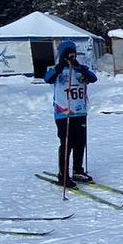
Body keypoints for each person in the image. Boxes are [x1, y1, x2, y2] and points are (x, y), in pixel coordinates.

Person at [44, 40, 98, 187]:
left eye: (73, 54)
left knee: (81, 142)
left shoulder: (79, 68)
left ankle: (78, 170)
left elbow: (93, 78)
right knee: (67, 143)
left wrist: (80, 68)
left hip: (80, 111)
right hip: (63, 113)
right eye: (67, 54)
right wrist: (61, 65)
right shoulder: (56, 69)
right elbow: (48, 79)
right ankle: (63, 174)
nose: (71, 57)